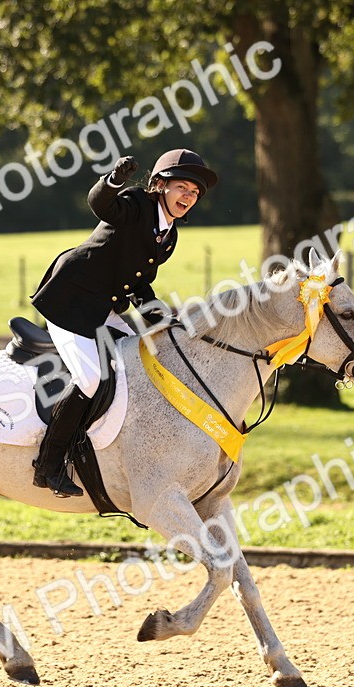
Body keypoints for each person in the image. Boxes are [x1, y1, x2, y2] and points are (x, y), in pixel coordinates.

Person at [29, 148, 219, 497]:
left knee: (143, 362)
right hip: (71, 302)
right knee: (89, 379)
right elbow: (102, 205)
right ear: (159, 185)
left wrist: (159, 312)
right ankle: (49, 464)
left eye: (194, 193)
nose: (189, 197)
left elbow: (136, 282)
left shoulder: (169, 235)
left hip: (105, 307)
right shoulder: (135, 204)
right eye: (182, 188)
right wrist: (115, 180)